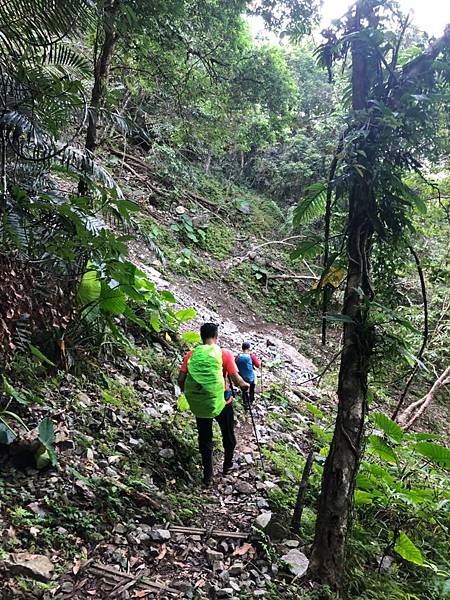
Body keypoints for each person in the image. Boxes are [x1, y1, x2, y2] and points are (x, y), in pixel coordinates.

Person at [177, 322, 249, 487]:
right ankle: (227, 465)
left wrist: (190, 395)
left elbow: (180, 379)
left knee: (205, 438)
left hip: (201, 403)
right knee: (228, 435)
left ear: (202, 337)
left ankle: (207, 476)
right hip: (223, 402)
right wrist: (245, 385)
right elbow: (237, 380)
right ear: (216, 336)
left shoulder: (191, 355)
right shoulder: (224, 354)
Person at [235, 341, 261, 410]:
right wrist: (260, 362)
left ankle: (245, 403)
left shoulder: (238, 356)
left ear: (242, 348)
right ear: (249, 348)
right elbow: (258, 365)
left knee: (244, 390)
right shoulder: (252, 356)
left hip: (242, 378)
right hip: (250, 378)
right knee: (252, 387)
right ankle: (251, 400)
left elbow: (235, 366)